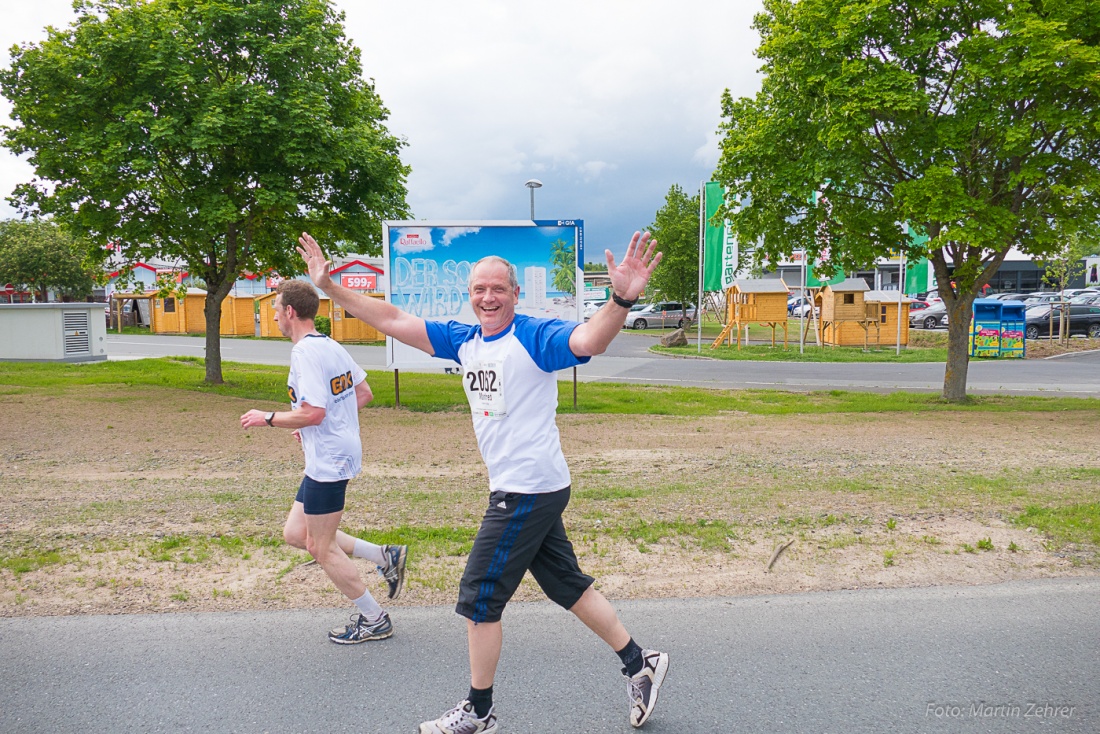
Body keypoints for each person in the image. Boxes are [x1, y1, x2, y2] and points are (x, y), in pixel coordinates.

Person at [297, 231, 669, 732]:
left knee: (478, 598)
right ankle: (638, 662)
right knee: (567, 586)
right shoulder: (464, 339)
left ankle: (478, 711)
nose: (488, 297)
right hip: (532, 485)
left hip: (527, 488)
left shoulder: (534, 337)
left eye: (498, 289)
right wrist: (331, 288)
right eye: (479, 290)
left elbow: (588, 341)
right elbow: (392, 319)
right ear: (469, 295)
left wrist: (622, 299)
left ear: (515, 294)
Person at [240, 279, 407, 644]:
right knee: (295, 534)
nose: (273, 316)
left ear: (290, 312)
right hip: (331, 452)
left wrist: (268, 417)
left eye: (275, 309)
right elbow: (363, 393)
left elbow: (313, 412)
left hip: (329, 460)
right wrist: (314, 424)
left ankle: (374, 617)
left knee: (320, 546)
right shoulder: (330, 344)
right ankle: (384, 556)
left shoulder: (304, 353)